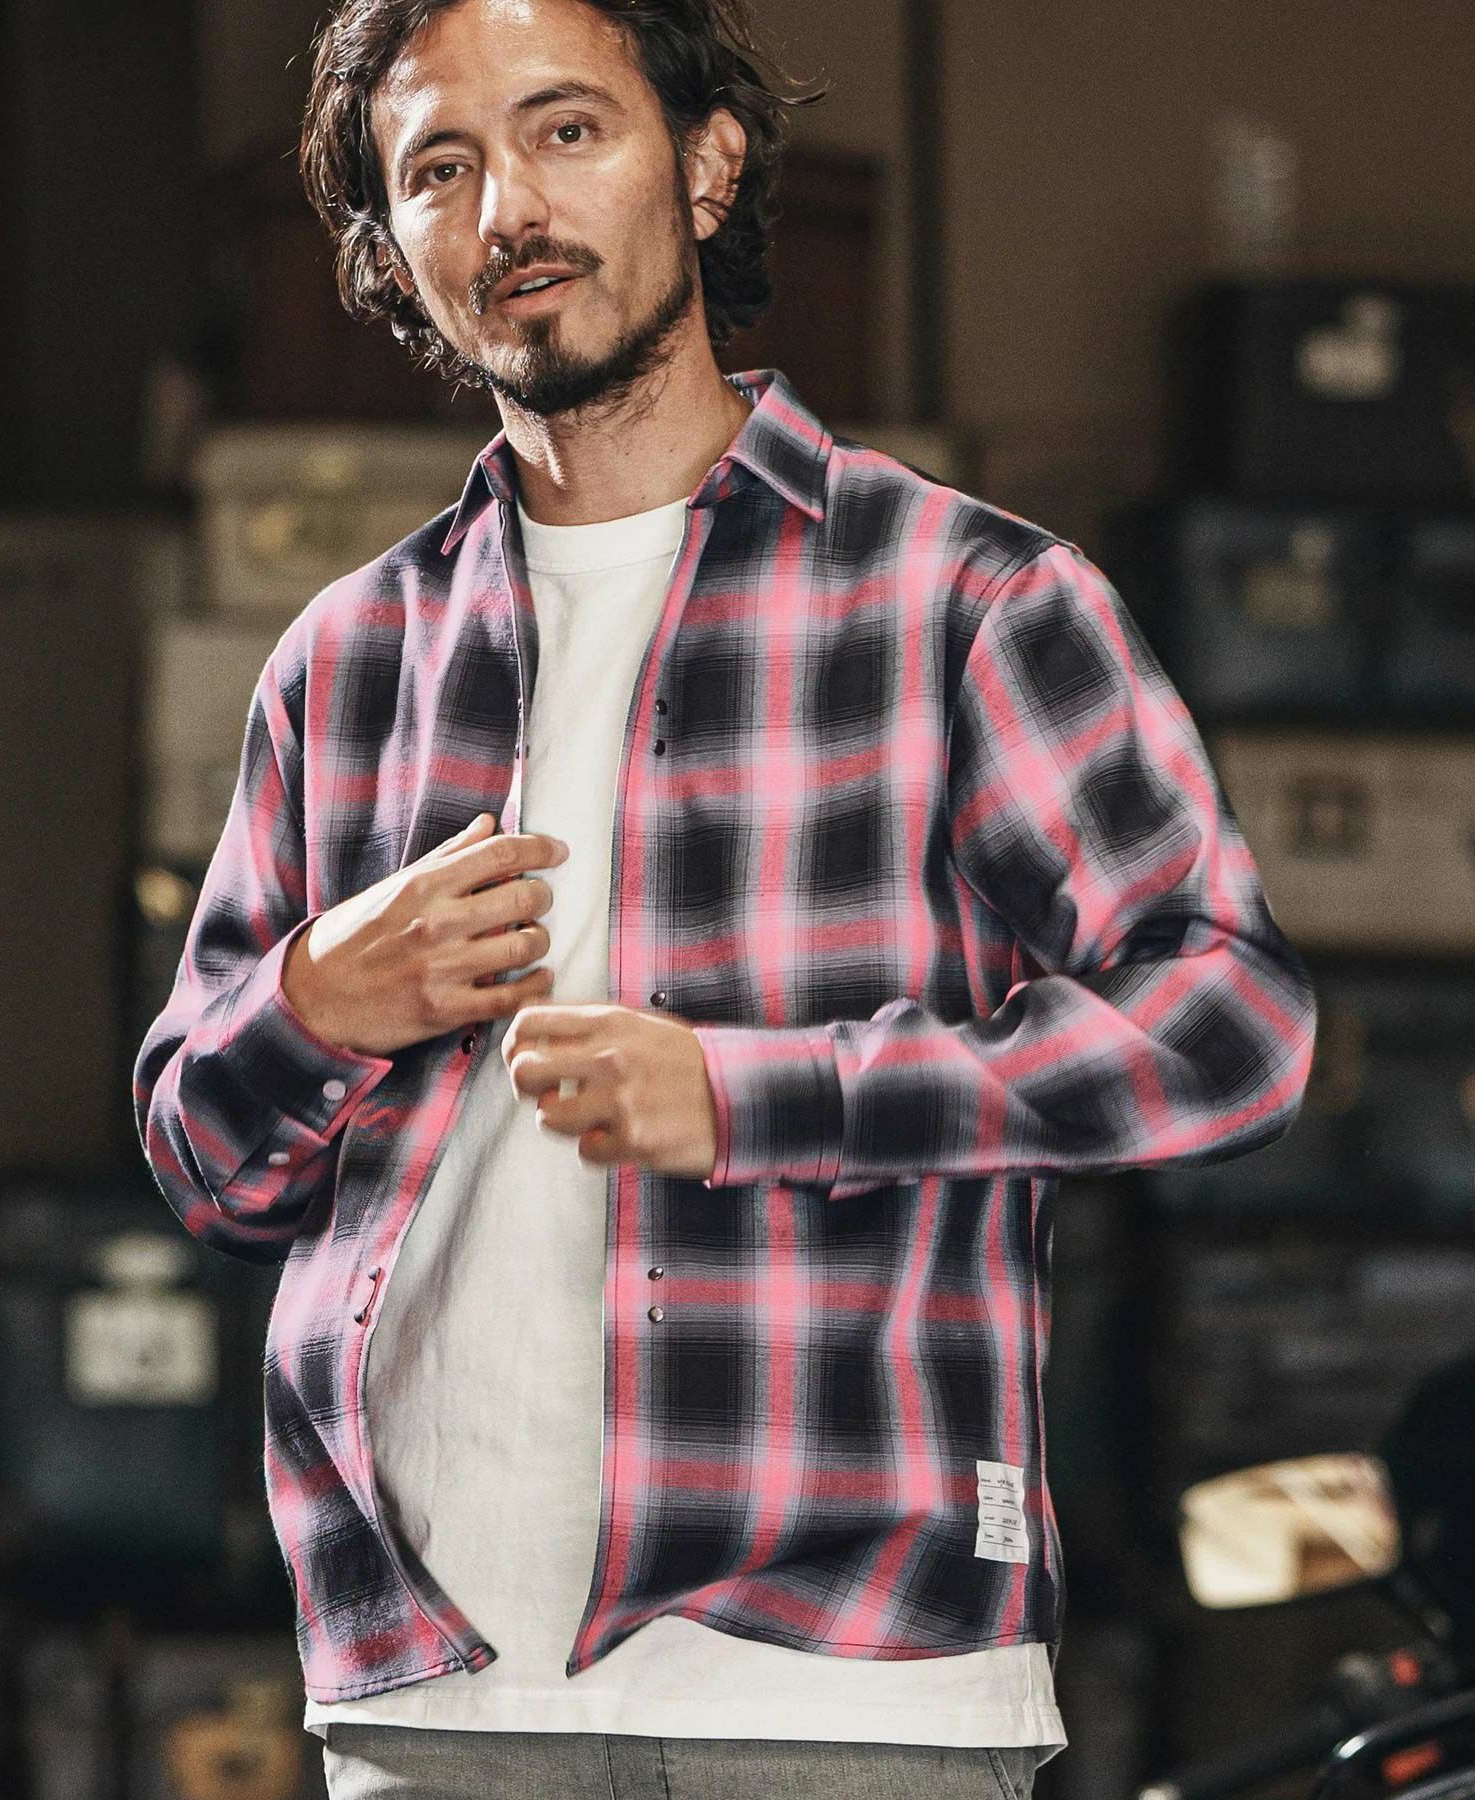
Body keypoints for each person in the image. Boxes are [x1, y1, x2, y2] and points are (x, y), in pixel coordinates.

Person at [133, 0, 1318, 1793]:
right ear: (394, 249)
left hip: (847, 1681)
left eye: (567, 131)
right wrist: (313, 1003)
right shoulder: (344, 660)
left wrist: (767, 1095)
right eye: (439, 169)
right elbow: (203, 1166)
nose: (510, 208)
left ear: (703, 164)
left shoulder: (966, 600)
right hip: (428, 1697)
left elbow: (1232, 1030)